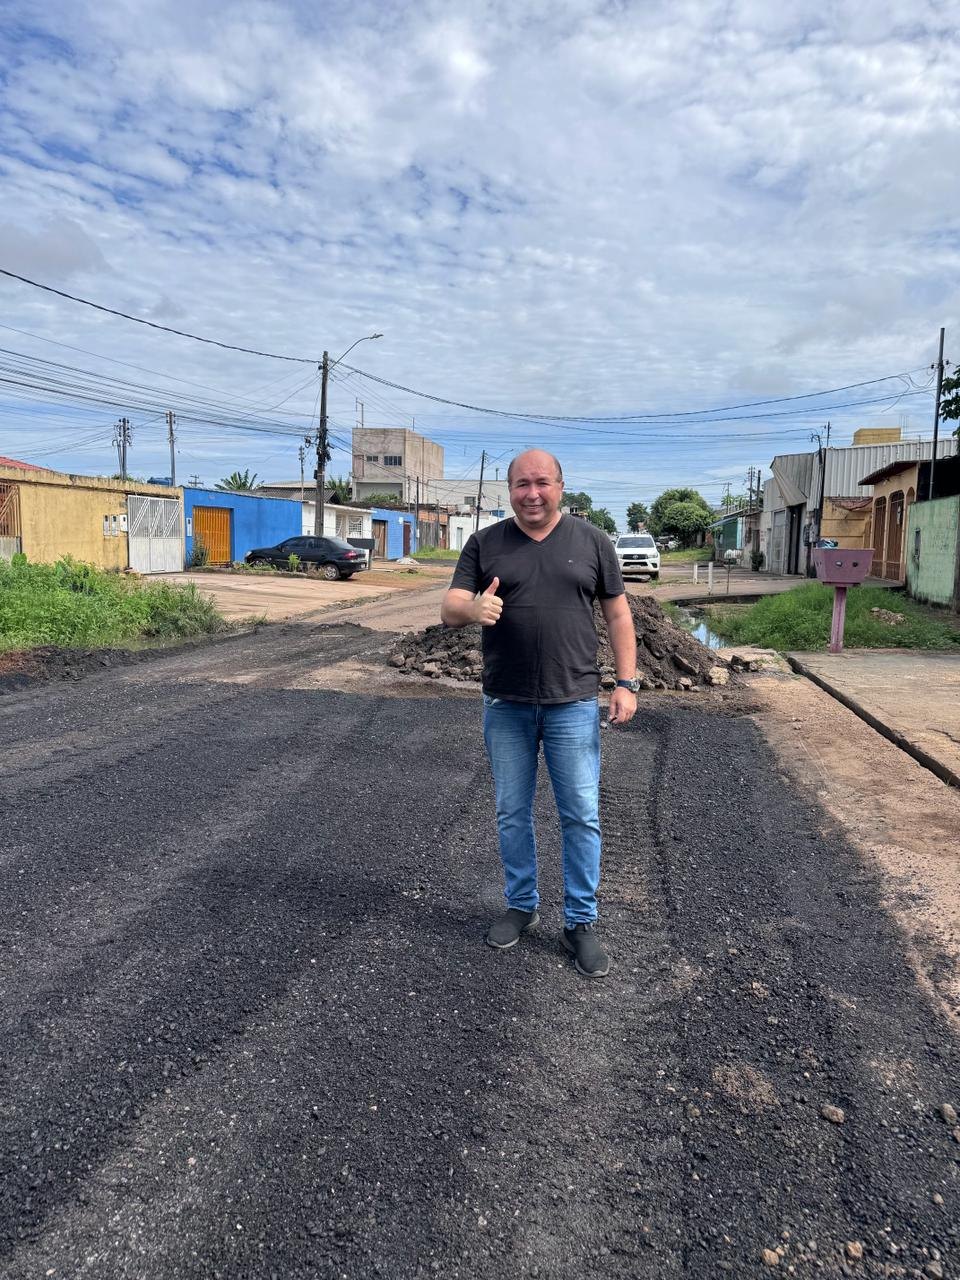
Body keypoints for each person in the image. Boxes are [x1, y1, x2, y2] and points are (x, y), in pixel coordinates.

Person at [441, 449, 638, 978]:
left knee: (581, 813)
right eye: (522, 484)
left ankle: (580, 923)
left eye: (542, 483)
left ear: (561, 486)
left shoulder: (592, 542)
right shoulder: (487, 543)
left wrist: (626, 683)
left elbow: (618, 614)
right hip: (505, 701)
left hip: (572, 701)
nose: (533, 493)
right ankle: (522, 905)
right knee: (512, 811)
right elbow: (450, 606)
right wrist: (474, 609)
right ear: (508, 491)